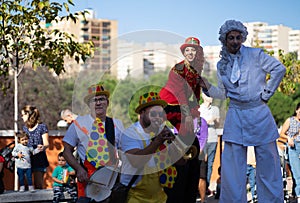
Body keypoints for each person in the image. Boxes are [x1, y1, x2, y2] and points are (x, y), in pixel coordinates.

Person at [199, 20, 286, 202]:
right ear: (224, 39)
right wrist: (206, 86)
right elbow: (222, 93)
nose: (235, 41)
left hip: (259, 113)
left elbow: (279, 68)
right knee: (232, 169)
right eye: (231, 37)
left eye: (239, 37)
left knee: (267, 165)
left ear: (243, 38)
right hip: (236, 114)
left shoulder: (256, 55)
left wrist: (266, 94)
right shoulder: (221, 65)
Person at [159, 36, 205, 203]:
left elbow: (195, 93)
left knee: (191, 143)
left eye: (194, 50)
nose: (191, 53)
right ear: (184, 52)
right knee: (185, 139)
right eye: (188, 50)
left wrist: (195, 111)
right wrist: (187, 114)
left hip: (184, 108)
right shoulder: (178, 68)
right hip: (170, 104)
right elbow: (179, 94)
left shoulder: (196, 69)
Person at [62, 82, 124, 200]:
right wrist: (78, 169)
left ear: (107, 102)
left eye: (101, 99)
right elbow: (66, 151)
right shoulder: (78, 123)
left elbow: (124, 152)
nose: (98, 103)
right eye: (94, 100)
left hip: (110, 181)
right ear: (89, 104)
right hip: (87, 180)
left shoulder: (117, 124)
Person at [120, 91, 176, 203]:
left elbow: (181, 163)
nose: (158, 117)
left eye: (160, 114)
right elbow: (136, 161)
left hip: (160, 196)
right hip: (136, 197)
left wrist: (175, 144)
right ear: (142, 112)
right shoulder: (131, 133)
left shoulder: (161, 132)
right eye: (153, 114)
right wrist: (158, 142)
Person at [21, 105, 49, 189]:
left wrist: (43, 147)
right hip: (27, 159)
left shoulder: (42, 127)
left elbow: (46, 143)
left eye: (23, 115)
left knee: (38, 185)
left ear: (28, 114)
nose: (22, 117)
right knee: (25, 185)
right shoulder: (24, 128)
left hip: (39, 158)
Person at [199, 92, 220, 194]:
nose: (211, 97)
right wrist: (206, 122)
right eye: (208, 95)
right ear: (203, 96)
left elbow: (217, 125)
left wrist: (215, 120)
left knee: (210, 165)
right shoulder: (199, 109)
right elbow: (197, 125)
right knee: (202, 164)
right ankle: (201, 187)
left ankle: (206, 187)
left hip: (213, 139)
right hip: (202, 140)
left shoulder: (215, 109)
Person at [280, 102, 300, 203]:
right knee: (297, 174)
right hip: (293, 148)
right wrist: (288, 138)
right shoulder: (290, 120)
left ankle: (294, 196)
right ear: (297, 110)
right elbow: (281, 134)